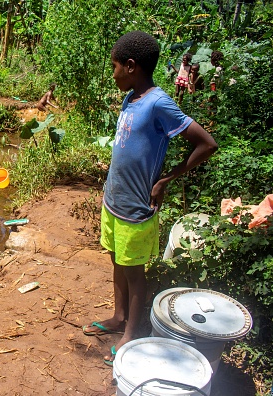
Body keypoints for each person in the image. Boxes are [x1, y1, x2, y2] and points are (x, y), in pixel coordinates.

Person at [81, 31, 218, 366]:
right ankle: (117, 317)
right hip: (114, 201)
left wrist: (167, 179)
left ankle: (131, 332)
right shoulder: (131, 99)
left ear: (131, 66)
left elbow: (207, 144)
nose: (112, 73)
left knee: (134, 271)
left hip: (137, 208)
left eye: (115, 67)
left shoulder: (159, 103)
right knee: (117, 260)